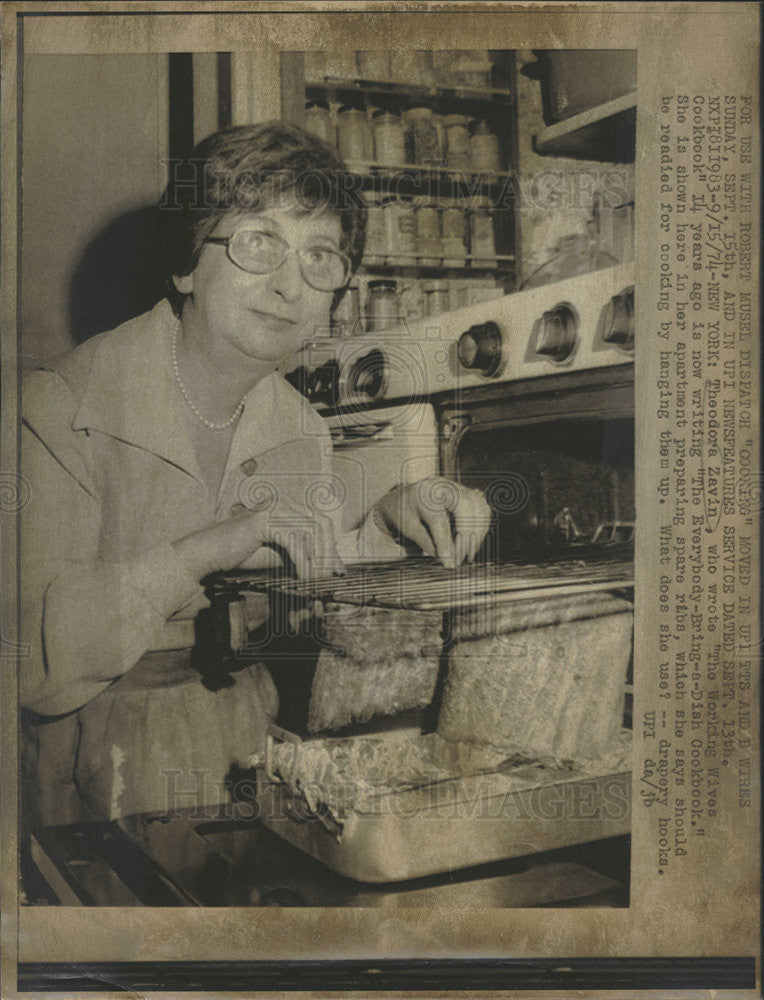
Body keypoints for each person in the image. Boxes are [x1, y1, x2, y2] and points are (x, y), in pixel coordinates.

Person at [20, 122, 491, 829]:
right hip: (81, 779)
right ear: (186, 264)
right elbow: (29, 661)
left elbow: (295, 587)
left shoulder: (299, 427)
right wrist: (210, 545)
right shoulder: (57, 405)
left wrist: (391, 520)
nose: (287, 285)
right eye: (258, 242)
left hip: (239, 755)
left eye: (320, 257)